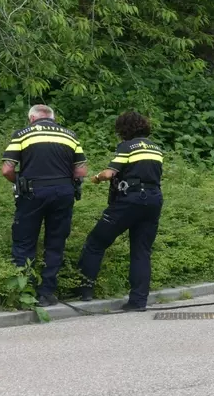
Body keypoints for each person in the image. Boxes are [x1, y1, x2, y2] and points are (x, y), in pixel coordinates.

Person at [1, 104, 88, 307]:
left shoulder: (22, 134)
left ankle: (25, 292)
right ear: (52, 118)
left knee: (24, 242)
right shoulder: (70, 135)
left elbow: (6, 169)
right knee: (56, 242)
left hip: (32, 193)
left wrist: (19, 182)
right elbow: (81, 171)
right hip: (63, 193)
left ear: (32, 119)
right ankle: (47, 293)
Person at [77, 111, 164, 312]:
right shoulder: (156, 149)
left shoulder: (126, 147)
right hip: (153, 200)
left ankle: (85, 290)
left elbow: (110, 173)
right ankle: (138, 301)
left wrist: (96, 178)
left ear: (123, 129)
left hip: (130, 200)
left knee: (96, 242)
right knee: (141, 251)